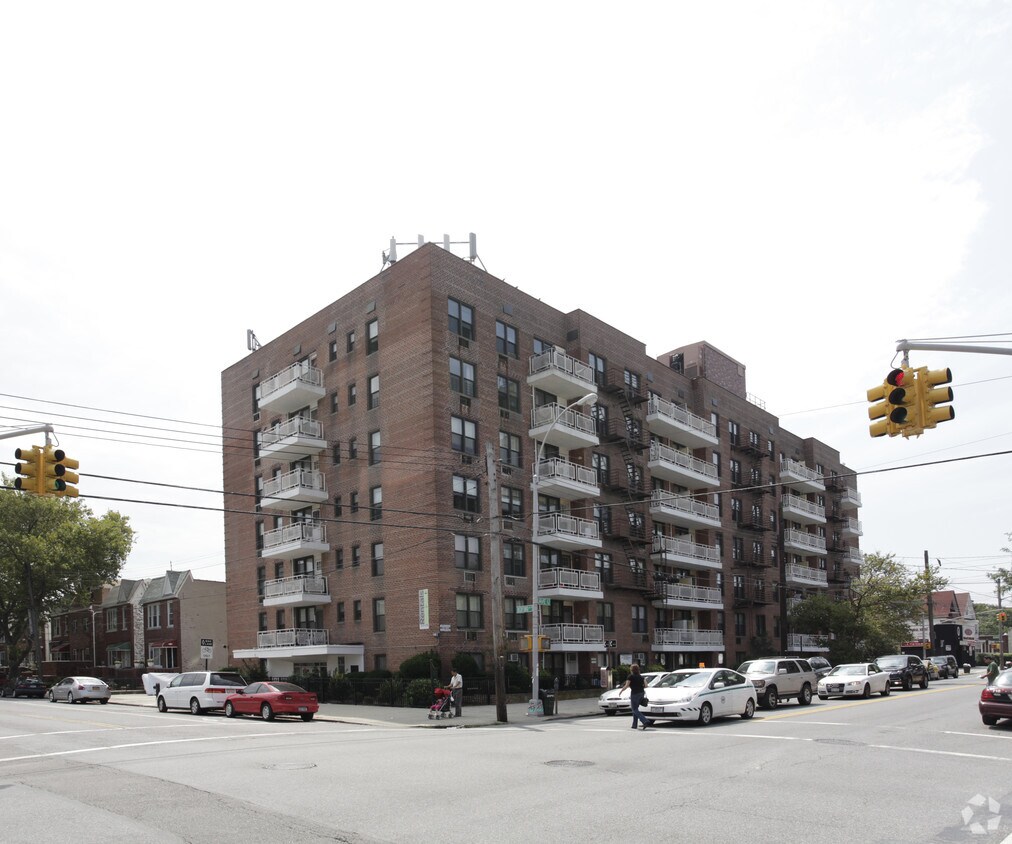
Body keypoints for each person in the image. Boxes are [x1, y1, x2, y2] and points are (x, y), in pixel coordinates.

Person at [621, 663, 653, 730]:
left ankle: (645, 721)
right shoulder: (641, 677)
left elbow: (626, 685)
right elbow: (646, 685)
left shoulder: (630, 677)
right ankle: (634, 725)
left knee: (634, 709)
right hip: (641, 693)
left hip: (634, 694)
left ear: (631, 669)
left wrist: (621, 691)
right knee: (635, 709)